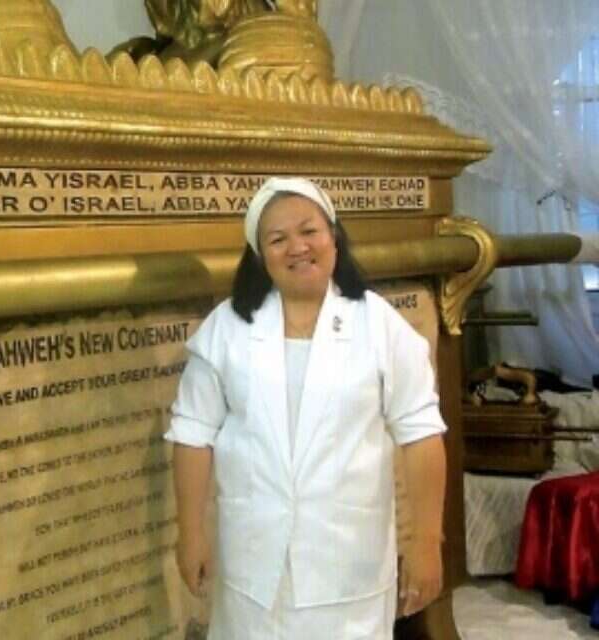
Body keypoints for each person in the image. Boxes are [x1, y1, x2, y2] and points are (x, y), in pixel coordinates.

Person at [165, 177, 447, 639]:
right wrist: (191, 532)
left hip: (348, 564)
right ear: (260, 255)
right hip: (253, 567)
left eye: (308, 231)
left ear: (333, 236)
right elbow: (192, 434)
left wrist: (427, 542)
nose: (297, 247)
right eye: (278, 239)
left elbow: (421, 435)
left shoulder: (379, 324)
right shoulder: (227, 328)